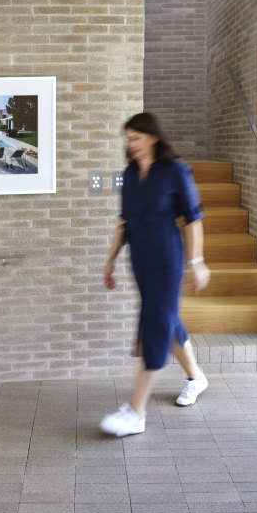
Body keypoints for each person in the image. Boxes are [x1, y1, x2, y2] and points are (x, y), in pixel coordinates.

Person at [100, 112, 211, 438]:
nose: (130, 145)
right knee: (166, 318)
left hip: (166, 258)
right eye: (127, 139)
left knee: (154, 324)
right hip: (140, 260)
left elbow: (193, 218)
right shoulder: (130, 175)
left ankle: (136, 411)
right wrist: (110, 261)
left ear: (153, 137)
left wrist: (197, 261)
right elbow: (124, 222)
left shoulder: (175, 171)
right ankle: (196, 377)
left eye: (135, 138)